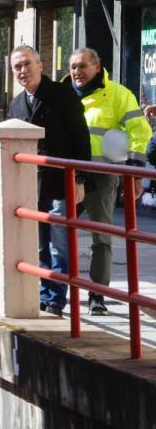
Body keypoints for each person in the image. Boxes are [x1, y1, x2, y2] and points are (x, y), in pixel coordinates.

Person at [63, 47, 153, 316]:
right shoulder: (62, 93)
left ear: (97, 67)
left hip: (101, 176)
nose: (77, 72)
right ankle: (54, 291)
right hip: (66, 174)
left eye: (82, 66)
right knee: (55, 232)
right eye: (73, 67)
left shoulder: (118, 94)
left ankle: (97, 295)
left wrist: (135, 172)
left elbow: (140, 131)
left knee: (101, 237)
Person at [8, 45, 91, 317]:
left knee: (58, 240)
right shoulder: (17, 104)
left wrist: (79, 178)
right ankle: (45, 292)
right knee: (39, 242)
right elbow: (5, 142)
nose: (23, 71)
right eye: (17, 66)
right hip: (31, 185)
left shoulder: (61, 94)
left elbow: (81, 137)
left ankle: (57, 297)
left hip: (60, 180)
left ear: (41, 65)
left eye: (27, 64)